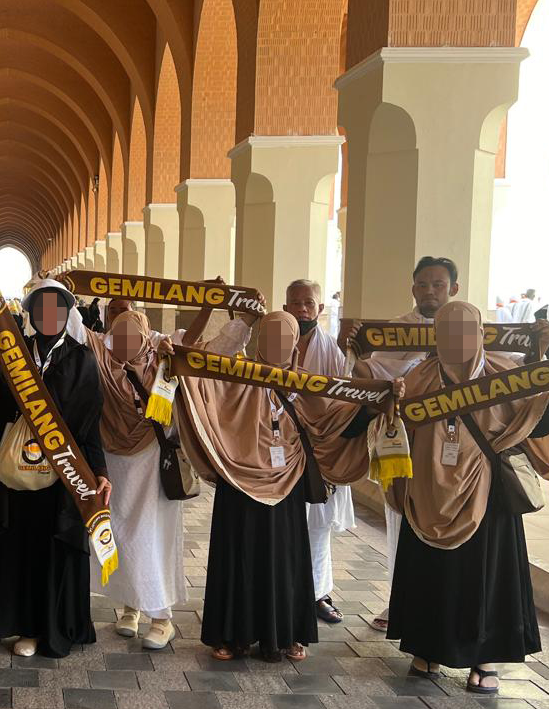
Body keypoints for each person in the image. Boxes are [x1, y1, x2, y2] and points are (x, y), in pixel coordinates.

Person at [386, 302, 549, 692]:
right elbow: (391, 426)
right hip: (428, 491)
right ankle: (426, 647)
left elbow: (536, 422)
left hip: (486, 491)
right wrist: (389, 402)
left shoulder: (505, 376)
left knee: (486, 574)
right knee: (431, 571)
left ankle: (485, 657)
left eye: (466, 330)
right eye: (447, 330)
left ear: (480, 334)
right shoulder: (416, 378)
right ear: (436, 336)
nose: (457, 338)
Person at [173, 311, 378, 662]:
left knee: (284, 559)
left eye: (284, 338)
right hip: (239, 478)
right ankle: (233, 635)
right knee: (238, 556)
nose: (276, 344)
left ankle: (283, 635)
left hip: (287, 482)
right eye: (269, 337)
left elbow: (336, 419)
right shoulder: (236, 376)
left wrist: (377, 398)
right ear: (258, 341)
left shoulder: (306, 385)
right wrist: (175, 359)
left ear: (295, 343)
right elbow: (199, 382)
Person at [0, 278, 111, 658]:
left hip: (62, 474)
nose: (49, 315)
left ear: (66, 313)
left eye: (57, 308)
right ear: (29, 313)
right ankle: (24, 625)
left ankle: (52, 627)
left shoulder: (81, 358)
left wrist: (100, 473)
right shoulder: (11, 354)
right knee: (21, 546)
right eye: (41, 308)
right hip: (17, 470)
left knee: (54, 546)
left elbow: (89, 425)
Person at [343, 255, 460, 631]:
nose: (430, 292)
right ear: (413, 289)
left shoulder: (468, 329)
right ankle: (400, 603)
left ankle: (449, 608)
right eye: (423, 285)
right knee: (400, 518)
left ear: (453, 289)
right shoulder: (396, 331)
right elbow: (373, 373)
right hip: (405, 441)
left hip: (455, 447)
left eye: (438, 285)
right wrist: (356, 351)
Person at [83, 309, 184, 649]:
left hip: (151, 462)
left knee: (150, 539)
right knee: (122, 536)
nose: (126, 342)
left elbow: (168, 411)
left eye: (133, 336)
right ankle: (131, 607)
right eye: (119, 335)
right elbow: (75, 326)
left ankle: (162, 618)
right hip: (113, 460)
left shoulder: (164, 365)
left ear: (145, 339)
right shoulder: (103, 363)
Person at [284, 279, 355, 625]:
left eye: (308, 303)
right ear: (285, 308)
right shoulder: (274, 344)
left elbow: (345, 400)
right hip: (282, 449)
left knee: (318, 525)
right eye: (296, 303)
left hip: (321, 449)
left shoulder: (332, 351)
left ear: (320, 308)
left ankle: (318, 594)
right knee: (284, 524)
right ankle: (284, 591)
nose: (302, 309)